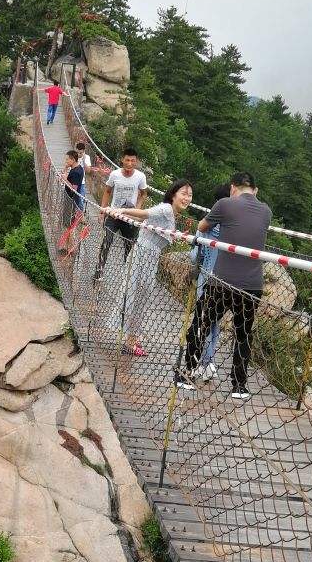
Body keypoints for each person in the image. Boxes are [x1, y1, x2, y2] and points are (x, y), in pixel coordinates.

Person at [178, 172, 272, 401]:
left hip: (222, 282)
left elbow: (202, 226)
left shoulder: (225, 204)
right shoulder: (267, 211)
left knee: (201, 324)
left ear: (232, 188)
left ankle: (187, 373)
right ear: (256, 190)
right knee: (243, 335)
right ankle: (239, 386)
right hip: (252, 286)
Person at [112, 179, 193, 356]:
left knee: (141, 297)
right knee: (137, 296)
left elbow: (155, 227)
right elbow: (143, 214)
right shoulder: (165, 209)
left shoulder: (171, 213)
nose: (187, 198)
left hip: (149, 256)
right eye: (184, 194)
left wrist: (177, 235)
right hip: (143, 255)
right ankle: (129, 341)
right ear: (173, 195)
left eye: (190, 195)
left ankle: (131, 339)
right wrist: (121, 211)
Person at [190, 183, 230, 380]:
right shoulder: (233, 229)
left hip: (206, 277)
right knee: (214, 323)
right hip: (225, 280)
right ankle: (209, 362)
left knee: (203, 320)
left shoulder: (206, 225)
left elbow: (194, 254)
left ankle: (203, 362)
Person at [97, 147, 148, 275]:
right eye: (127, 160)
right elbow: (107, 191)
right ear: (122, 160)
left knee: (129, 248)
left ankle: (127, 277)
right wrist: (102, 211)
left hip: (129, 217)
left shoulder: (140, 177)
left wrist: (137, 209)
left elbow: (143, 194)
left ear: (136, 162)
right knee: (106, 242)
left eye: (132, 161)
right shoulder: (115, 174)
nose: (129, 163)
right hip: (113, 215)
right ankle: (99, 272)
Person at [62, 149, 84, 227]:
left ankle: (69, 238)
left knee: (69, 224)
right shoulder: (76, 168)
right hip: (69, 198)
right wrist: (65, 168)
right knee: (67, 221)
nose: (66, 161)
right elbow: (64, 176)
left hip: (72, 200)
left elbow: (74, 189)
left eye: (67, 159)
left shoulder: (76, 172)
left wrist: (65, 180)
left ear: (73, 160)